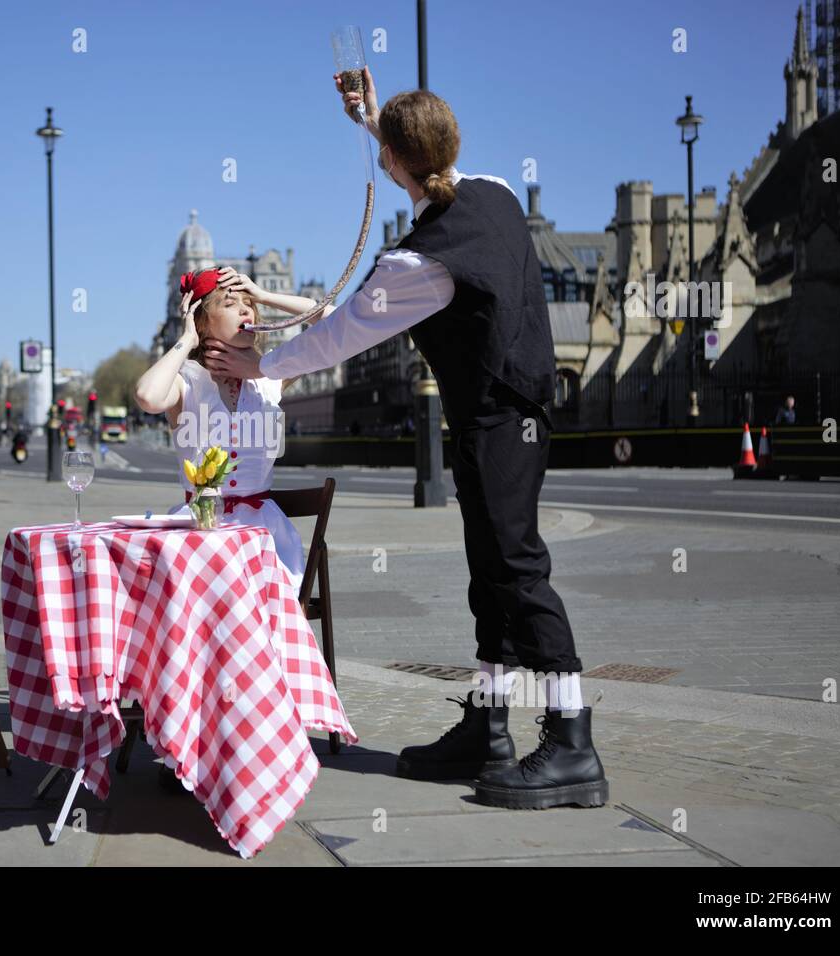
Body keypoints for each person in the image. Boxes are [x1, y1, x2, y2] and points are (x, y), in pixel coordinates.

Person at [204, 66, 607, 811]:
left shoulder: (418, 263)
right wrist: (370, 119)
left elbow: (335, 340)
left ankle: (572, 740)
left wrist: (261, 361)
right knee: (490, 568)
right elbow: (420, 164)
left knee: (517, 568)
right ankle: (488, 728)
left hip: (495, 416)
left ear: (393, 162)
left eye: (385, 150)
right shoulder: (494, 190)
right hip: (514, 410)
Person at [134, 266, 319, 594]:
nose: (247, 309)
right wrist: (186, 338)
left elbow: (332, 323)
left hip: (264, 536)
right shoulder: (187, 382)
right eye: (231, 303)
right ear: (202, 321)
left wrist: (266, 295)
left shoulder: (272, 377)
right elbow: (148, 396)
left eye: (250, 304)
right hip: (199, 531)